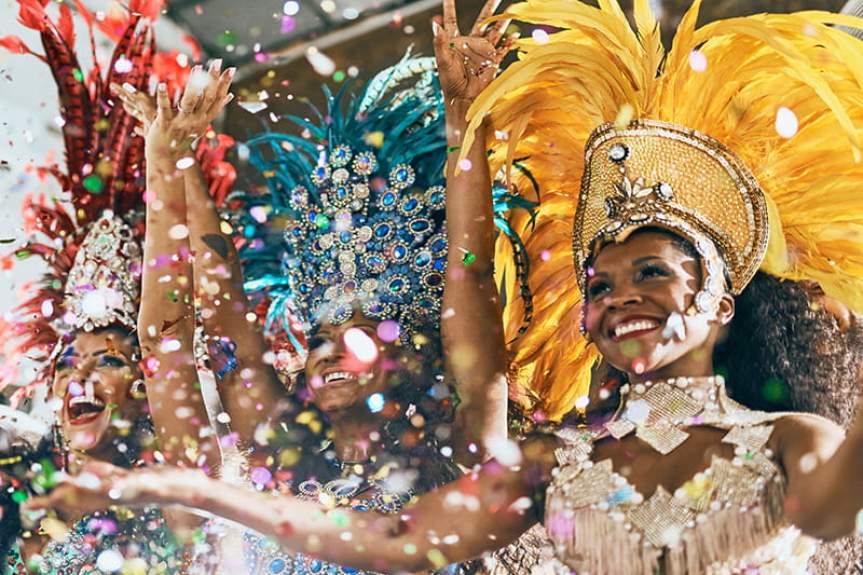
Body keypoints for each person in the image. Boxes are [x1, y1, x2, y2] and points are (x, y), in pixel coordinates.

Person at [33, 0, 863, 573]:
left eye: (650, 272)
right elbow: (387, 533)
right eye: (600, 283)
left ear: (720, 301)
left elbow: (470, 286)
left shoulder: (780, 440)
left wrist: (470, 124)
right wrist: (190, 488)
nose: (620, 297)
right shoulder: (549, 464)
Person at [109, 20, 536, 571]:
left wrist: (464, 119)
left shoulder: (463, 450)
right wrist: (174, 161)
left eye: (358, 334)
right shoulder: (276, 459)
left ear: (411, 356)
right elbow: (206, 326)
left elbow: (469, 271)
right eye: (318, 339)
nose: (329, 352)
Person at [0, 3, 227, 572]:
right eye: (67, 364)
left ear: (146, 390)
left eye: (108, 361)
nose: (79, 376)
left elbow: (164, 340)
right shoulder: (19, 514)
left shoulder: (178, 497)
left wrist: (165, 163)